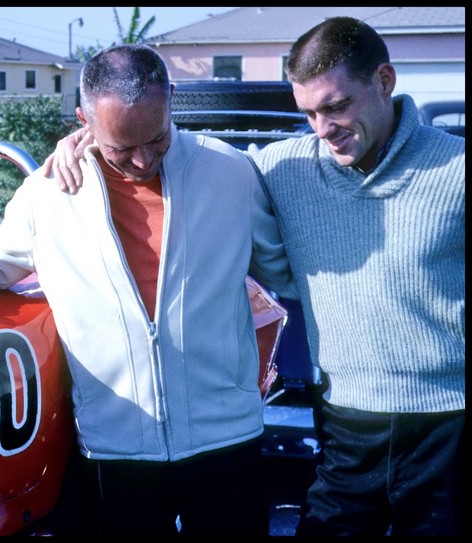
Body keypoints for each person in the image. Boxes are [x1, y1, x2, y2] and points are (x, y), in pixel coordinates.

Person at [44, 17, 465, 537]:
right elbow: (148, 144)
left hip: (450, 430)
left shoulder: (458, 170)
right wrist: (84, 143)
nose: (322, 128)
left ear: (384, 82)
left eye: (336, 106)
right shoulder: (280, 168)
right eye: (307, 112)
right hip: (343, 426)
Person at [0, 44, 294, 536]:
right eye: (122, 147)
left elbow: (283, 269)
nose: (143, 160)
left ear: (171, 102)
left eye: (157, 138)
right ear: (83, 121)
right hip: (116, 445)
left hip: (227, 437)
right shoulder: (49, 194)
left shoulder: (229, 172)